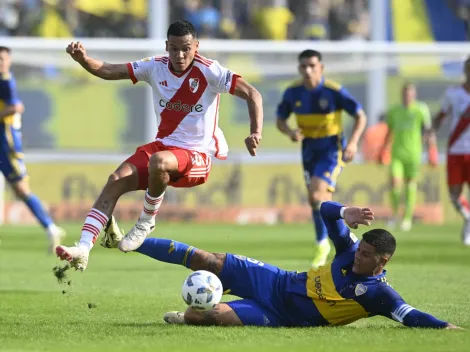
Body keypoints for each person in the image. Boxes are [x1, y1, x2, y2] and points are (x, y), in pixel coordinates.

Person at [55, 20, 263, 270]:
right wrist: (83, 60)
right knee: (115, 180)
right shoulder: (155, 67)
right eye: (174, 48)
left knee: (159, 161)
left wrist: (255, 132)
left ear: (196, 46)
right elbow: (111, 70)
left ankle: (145, 221)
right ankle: (83, 248)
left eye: (186, 48)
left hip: (197, 155)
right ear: (167, 46)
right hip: (163, 147)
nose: (180, 55)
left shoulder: (210, 71)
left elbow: (253, 94)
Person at [100, 201, 460, 329]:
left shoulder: (378, 294)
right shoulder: (350, 251)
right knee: (205, 258)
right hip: (274, 280)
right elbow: (325, 211)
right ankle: (125, 241)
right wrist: (344, 211)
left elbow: (408, 314)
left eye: (367, 256)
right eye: (360, 249)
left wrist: (443, 326)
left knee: (200, 316)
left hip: (282, 315)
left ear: (383, 262)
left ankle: (191, 313)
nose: (358, 256)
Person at [275, 49, 367, 268]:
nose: (308, 70)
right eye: (304, 66)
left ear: (321, 68)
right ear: (299, 68)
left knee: (318, 194)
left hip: (331, 148)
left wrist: (353, 142)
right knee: (317, 201)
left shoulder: (333, 91)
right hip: (308, 150)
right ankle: (334, 243)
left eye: (312, 66)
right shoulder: (293, 93)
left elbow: (360, 115)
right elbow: (280, 120)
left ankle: (325, 243)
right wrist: (289, 132)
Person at [0, 46, 65, 252]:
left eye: (3, 59)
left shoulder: (6, 81)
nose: (1, 62)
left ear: (9, 61)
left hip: (6, 144)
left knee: (21, 189)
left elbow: (15, 106)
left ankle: (51, 228)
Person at [378, 83, 438, 232]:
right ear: (402, 95)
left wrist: (432, 150)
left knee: (410, 186)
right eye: (405, 93)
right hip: (397, 154)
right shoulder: (394, 111)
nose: (407, 96)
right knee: (395, 184)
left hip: (414, 155)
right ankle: (394, 215)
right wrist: (383, 150)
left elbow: (428, 131)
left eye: (410, 93)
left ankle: (407, 218)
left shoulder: (421, 109)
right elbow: (389, 132)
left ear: (414, 94)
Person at [434, 56, 470, 246]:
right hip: (456, 150)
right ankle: (468, 218)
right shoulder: (453, 93)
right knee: (454, 197)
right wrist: (432, 129)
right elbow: (441, 115)